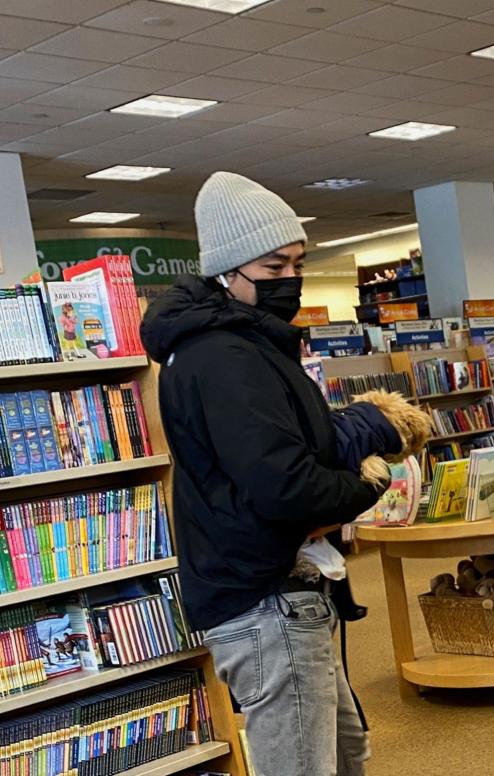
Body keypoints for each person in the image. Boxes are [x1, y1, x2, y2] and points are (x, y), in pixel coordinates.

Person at [140, 172, 403, 776]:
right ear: (229, 272)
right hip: (264, 602)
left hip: (282, 591)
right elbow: (285, 485)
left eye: (297, 264)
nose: (291, 280)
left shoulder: (240, 344)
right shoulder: (223, 357)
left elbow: (284, 449)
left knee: (344, 752)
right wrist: (367, 484)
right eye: (274, 267)